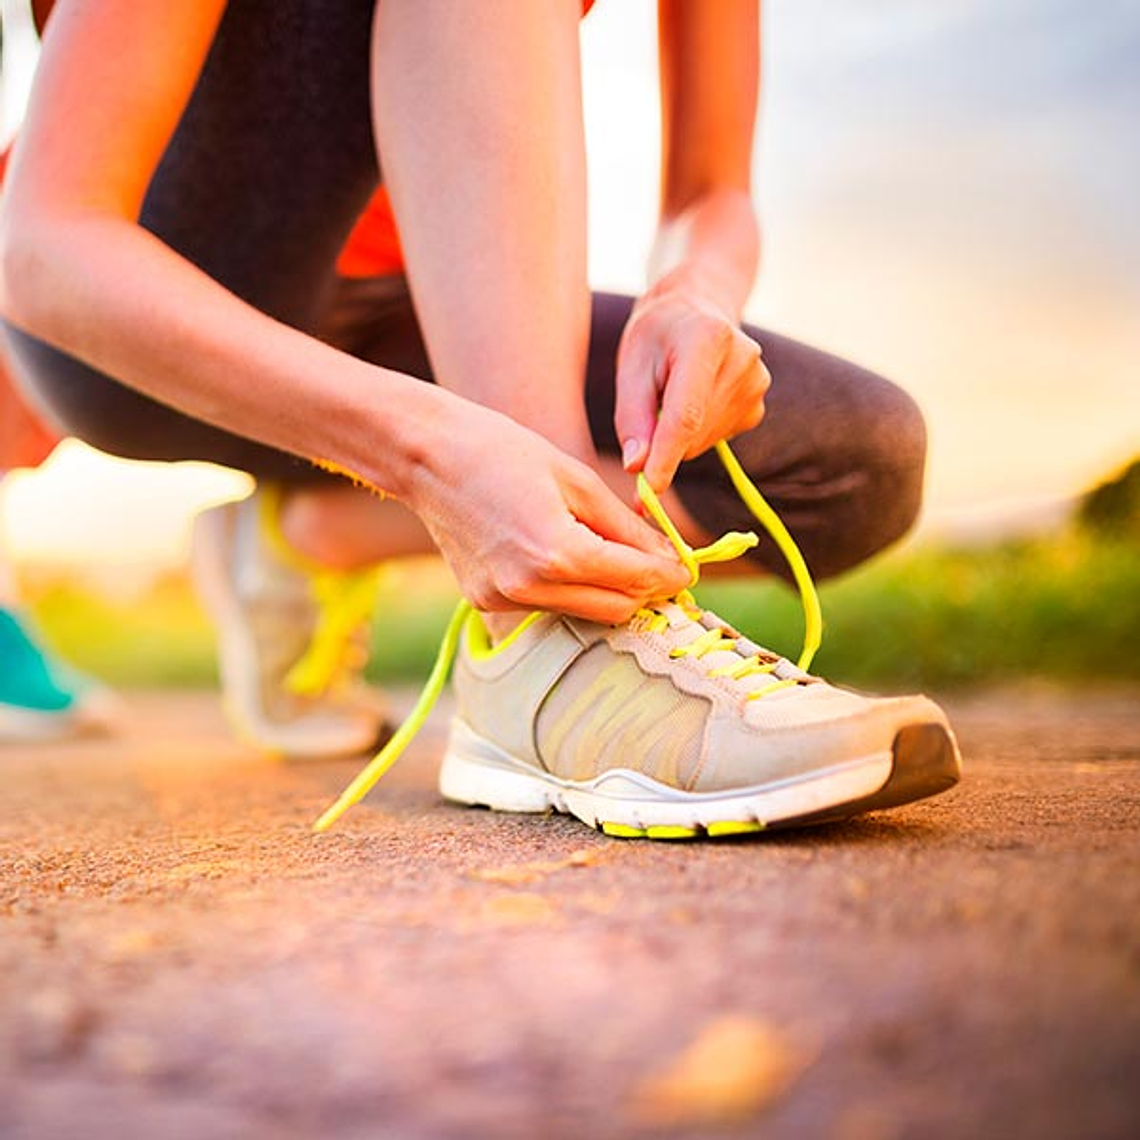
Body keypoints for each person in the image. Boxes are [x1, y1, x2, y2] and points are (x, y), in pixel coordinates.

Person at [0, 1, 960, 836]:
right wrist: (429, 456)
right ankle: (550, 636)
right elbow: (45, 245)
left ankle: (307, 533)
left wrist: (696, 293)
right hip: (145, 306)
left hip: (422, 315)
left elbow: (713, 191)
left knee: (860, 455)